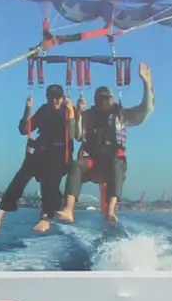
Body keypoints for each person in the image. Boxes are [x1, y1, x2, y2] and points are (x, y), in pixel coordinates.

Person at [62, 69, 155, 226]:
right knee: (75, 165)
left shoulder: (122, 115)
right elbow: (76, 135)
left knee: (117, 165)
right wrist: (76, 112)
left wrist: (147, 84)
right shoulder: (88, 115)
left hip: (112, 164)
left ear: (112, 99)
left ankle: (111, 211)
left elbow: (146, 110)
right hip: (93, 164)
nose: (103, 102)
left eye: (106, 98)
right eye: (100, 99)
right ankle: (68, 210)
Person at [0, 83, 79, 237]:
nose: (55, 102)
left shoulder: (67, 111)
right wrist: (27, 109)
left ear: (63, 98)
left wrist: (72, 111)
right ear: (47, 98)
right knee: (20, 179)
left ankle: (45, 218)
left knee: (50, 182)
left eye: (58, 98)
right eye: (52, 98)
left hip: (59, 156)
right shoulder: (44, 110)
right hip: (40, 152)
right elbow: (24, 130)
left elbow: (72, 134)